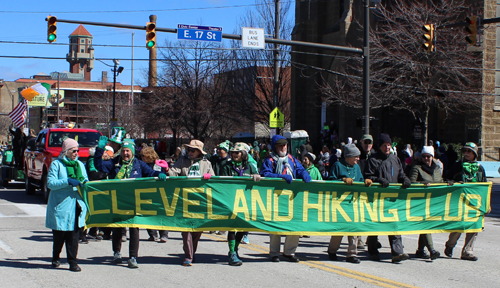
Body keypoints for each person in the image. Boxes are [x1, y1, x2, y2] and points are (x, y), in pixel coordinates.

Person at [95, 137, 167, 269]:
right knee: (117, 228)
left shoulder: (139, 164)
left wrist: (160, 173)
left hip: (134, 202)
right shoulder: (114, 163)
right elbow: (98, 166)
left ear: (133, 152)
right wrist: (99, 150)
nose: (125, 154)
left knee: (134, 229)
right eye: (123, 151)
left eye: (128, 151)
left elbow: (150, 173)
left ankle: (133, 257)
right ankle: (117, 252)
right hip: (117, 201)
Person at [260, 135, 312, 263]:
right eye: (280, 145)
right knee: (276, 224)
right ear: (274, 147)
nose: (283, 147)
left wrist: (304, 174)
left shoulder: (292, 159)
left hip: (292, 197)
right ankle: (274, 253)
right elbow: (265, 174)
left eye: (285, 145)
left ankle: (289, 252)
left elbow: (299, 170)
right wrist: (279, 177)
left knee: (294, 224)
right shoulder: (269, 160)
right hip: (276, 196)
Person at [165, 139, 215, 266]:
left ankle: (192, 252)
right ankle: (188, 255)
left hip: (201, 200)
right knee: (186, 229)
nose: (190, 152)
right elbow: (174, 173)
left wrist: (210, 177)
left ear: (199, 152)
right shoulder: (182, 161)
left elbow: (214, 181)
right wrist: (166, 169)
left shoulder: (207, 163)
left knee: (197, 229)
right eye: (189, 149)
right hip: (185, 200)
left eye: (193, 150)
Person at [365, 133, 411, 263]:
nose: (387, 148)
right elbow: (368, 176)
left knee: (394, 224)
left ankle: (397, 252)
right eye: (385, 145)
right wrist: (378, 180)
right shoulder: (373, 160)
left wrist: (405, 180)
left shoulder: (394, 159)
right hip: (377, 199)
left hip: (392, 199)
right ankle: (373, 250)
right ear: (380, 146)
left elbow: (401, 173)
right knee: (376, 225)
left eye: (389, 145)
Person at [46, 138, 88, 272]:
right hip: (61, 206)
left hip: (77, 205)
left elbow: (85, 179)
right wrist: (67, 181)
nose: (76, 153)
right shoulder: (56, 164)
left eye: (77, 150)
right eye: (73, 150)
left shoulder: (80, 165)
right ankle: (56, 257)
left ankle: (72, 262)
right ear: (66, 151)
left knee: (73, 236)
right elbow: (51, 183)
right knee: (59, 236)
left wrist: (85, 183)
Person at [327, 144, 371, 264]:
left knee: (354, 229)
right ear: (349, 156)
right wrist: (342, 180)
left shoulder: (356, 167)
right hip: (341, 203)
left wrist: (365, 182)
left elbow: (360, 179)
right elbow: (329, 181)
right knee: (340, 229)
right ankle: (332, 250)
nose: (358, 159)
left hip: (354, 201)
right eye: (356, 156)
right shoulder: (337, 165)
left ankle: (352, 254)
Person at [220, 142, 261, 266]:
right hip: (231, 200)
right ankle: (232, 252)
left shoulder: (250, 165)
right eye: (232, 152)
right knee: (232, 227)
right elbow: (221, 181)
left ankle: (236, 248)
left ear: (243, 153)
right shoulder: (226, 165)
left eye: (237, 152)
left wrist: (257, 176)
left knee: (244, 227)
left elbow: (258, 177)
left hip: (246, 201)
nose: (234, 154)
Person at [444, 142, 486, 261]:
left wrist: (486, 204)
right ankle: (450, 245)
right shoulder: (457, 166)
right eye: (465, 151)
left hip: (475, 203)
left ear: (474, 154)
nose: (466, 153)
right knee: (460, 226)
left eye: (469, 151)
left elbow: (485, 187)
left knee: (474, 226)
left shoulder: (480, 168)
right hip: (460, 202)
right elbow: (447, 179)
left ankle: (468, 251)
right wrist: (452, 183)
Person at [409, 146, 442, 260]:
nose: (426, 159)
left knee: (426, 225)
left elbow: (440, 182)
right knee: (426, 224)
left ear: (432, 157)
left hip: (433, 202)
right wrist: (422, 183)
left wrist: (448, 184)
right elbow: (412, 182)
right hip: (421, 201)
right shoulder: (417, 168)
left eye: (428, 156)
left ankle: (420, 250)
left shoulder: (437, 169)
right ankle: (431, 250)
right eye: (424, 156)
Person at [140, 146, 169, 243]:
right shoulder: (141, 164)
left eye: (143, 156)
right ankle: (153, 234)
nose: (142, 157)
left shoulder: (159, 163)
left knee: (161, 213)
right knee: (148, 213)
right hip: (146, 191)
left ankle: (163, 234)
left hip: (159, 191)